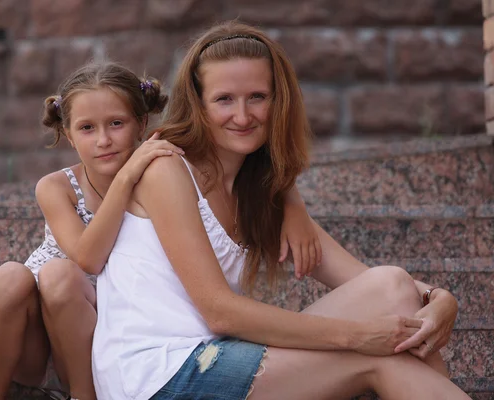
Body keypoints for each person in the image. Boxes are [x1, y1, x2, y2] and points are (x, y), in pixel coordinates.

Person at [91, 21, 469, 400]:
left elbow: (372, 282)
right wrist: (358, 337)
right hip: (156, 375)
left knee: (393, 285)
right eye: (224, 99)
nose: (242, 116)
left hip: (218, 356)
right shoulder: (167, 169)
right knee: (386, 357)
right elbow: (220, 312)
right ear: (199, 105)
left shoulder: (260, 192)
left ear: (278, 101)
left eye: (257, 96)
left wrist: (439, 299)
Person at [0, 61, 321, 400]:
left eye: (116, 123)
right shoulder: (56, 186)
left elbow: (241, 162)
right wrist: (126, 177)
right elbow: (87, 259)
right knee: (19, 276)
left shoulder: (163, 166)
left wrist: (292, 204)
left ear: (141, 123)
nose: (104, 140)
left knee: (59, 278)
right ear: (68, 134)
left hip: (105, 332)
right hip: (39, 330)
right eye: (87, 128)